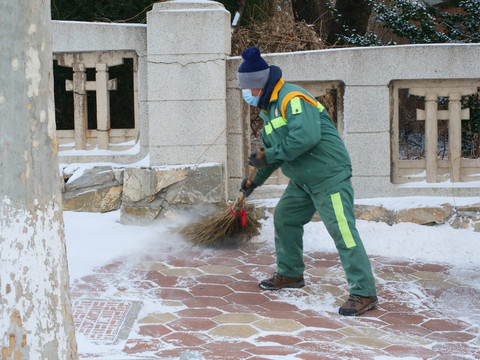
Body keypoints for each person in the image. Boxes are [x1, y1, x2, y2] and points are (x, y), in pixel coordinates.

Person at [237, 47, 378, 316]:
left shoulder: (292, 98)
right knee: (285, 217)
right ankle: (290, 274)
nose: (246, 96)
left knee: (343, 233)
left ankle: (364, 292)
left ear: (258, 85)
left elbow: (306, 138)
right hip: (303, 180)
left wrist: (270, 156)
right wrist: (253, 182)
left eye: (247, 90)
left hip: (329, 177)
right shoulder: (269, 110)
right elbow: (272, 156)